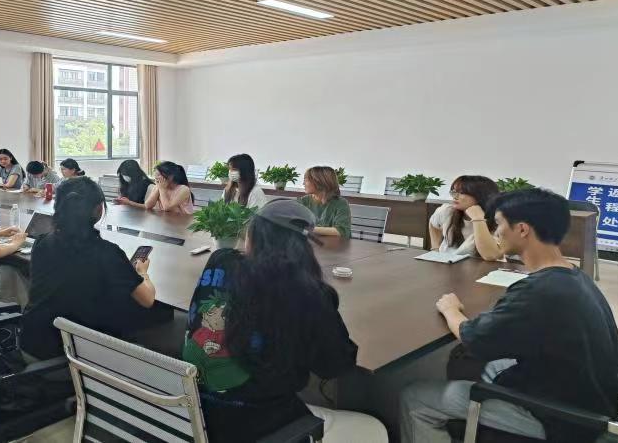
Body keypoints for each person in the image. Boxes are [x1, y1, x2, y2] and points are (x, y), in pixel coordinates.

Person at [401, 188, 618, 443]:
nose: (496, 232)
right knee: (477, 364)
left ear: (522, 229)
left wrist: (451, 310)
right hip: (591, 400)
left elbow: (474, 338)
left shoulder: (538, 290)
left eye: (499, 224)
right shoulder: (576, 276)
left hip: (560, 418)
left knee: (415, 398)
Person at [183, 199, 386, 442]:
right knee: (373, 427)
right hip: (259, 428)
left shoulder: (220, 260)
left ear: (253, 235)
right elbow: (334, 365)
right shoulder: (308, 292)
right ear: (303, 248)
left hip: (194, 414)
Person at [21, 177, 158, 359]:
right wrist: (142, 273)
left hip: (31, 343)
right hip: (76, 357)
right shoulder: (108, 253)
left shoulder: (42, 242)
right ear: (99, 209)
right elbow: (147, 299)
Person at [428, 175, 501, 260]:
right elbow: (433, 224)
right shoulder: (447, 211)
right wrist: (435, 249)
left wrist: (478, 219)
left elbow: (490, 255)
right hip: (446, 262)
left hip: (480, 266)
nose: (454, 196)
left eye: (461, 193)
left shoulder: (499, 220)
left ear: (481, 197)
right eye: (454, 191)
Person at [298, 166, 352, 237]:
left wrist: (308, 228)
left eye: (306, 180)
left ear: (319, 182)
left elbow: (342, 231)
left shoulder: (340, 203)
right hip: (310, 242)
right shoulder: (303, 201)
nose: (303, 184)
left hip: (334, 243)